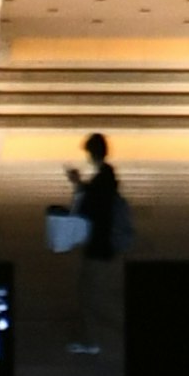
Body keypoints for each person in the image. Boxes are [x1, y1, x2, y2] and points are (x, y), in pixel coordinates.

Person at [59, 128, 130, 345]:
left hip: (98, 245)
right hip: (102, 244)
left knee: (90, 296)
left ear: (91, 153)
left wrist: (78, 185)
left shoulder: (102, 180)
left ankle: (91, 341)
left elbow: (89, 207)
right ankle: (90, 338)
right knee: (93, 295)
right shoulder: (107, 175)